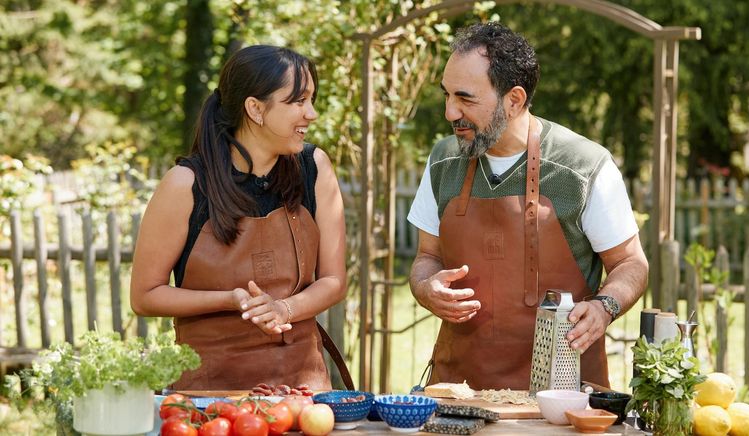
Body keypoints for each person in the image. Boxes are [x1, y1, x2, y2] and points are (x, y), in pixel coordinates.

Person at [407, 22, 649, 390]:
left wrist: (604, 308)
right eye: (446, 96)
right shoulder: (442, 161)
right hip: (457, 398)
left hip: (564, 400)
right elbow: (427, 256)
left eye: (465, 98)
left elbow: (631, 263)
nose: (449, 113)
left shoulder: (583, 166)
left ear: (514, 99)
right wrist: (425, 286)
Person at [130, 45, 347, 391]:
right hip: (208, 402)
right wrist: (230, 299)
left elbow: (334, 280)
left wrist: (283, 309)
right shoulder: (184, 185)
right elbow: (145, 296)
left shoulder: (315, 167)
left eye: (312, 99)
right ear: (255, 108)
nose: (312, 113)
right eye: (298, 101)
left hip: (303, 396)